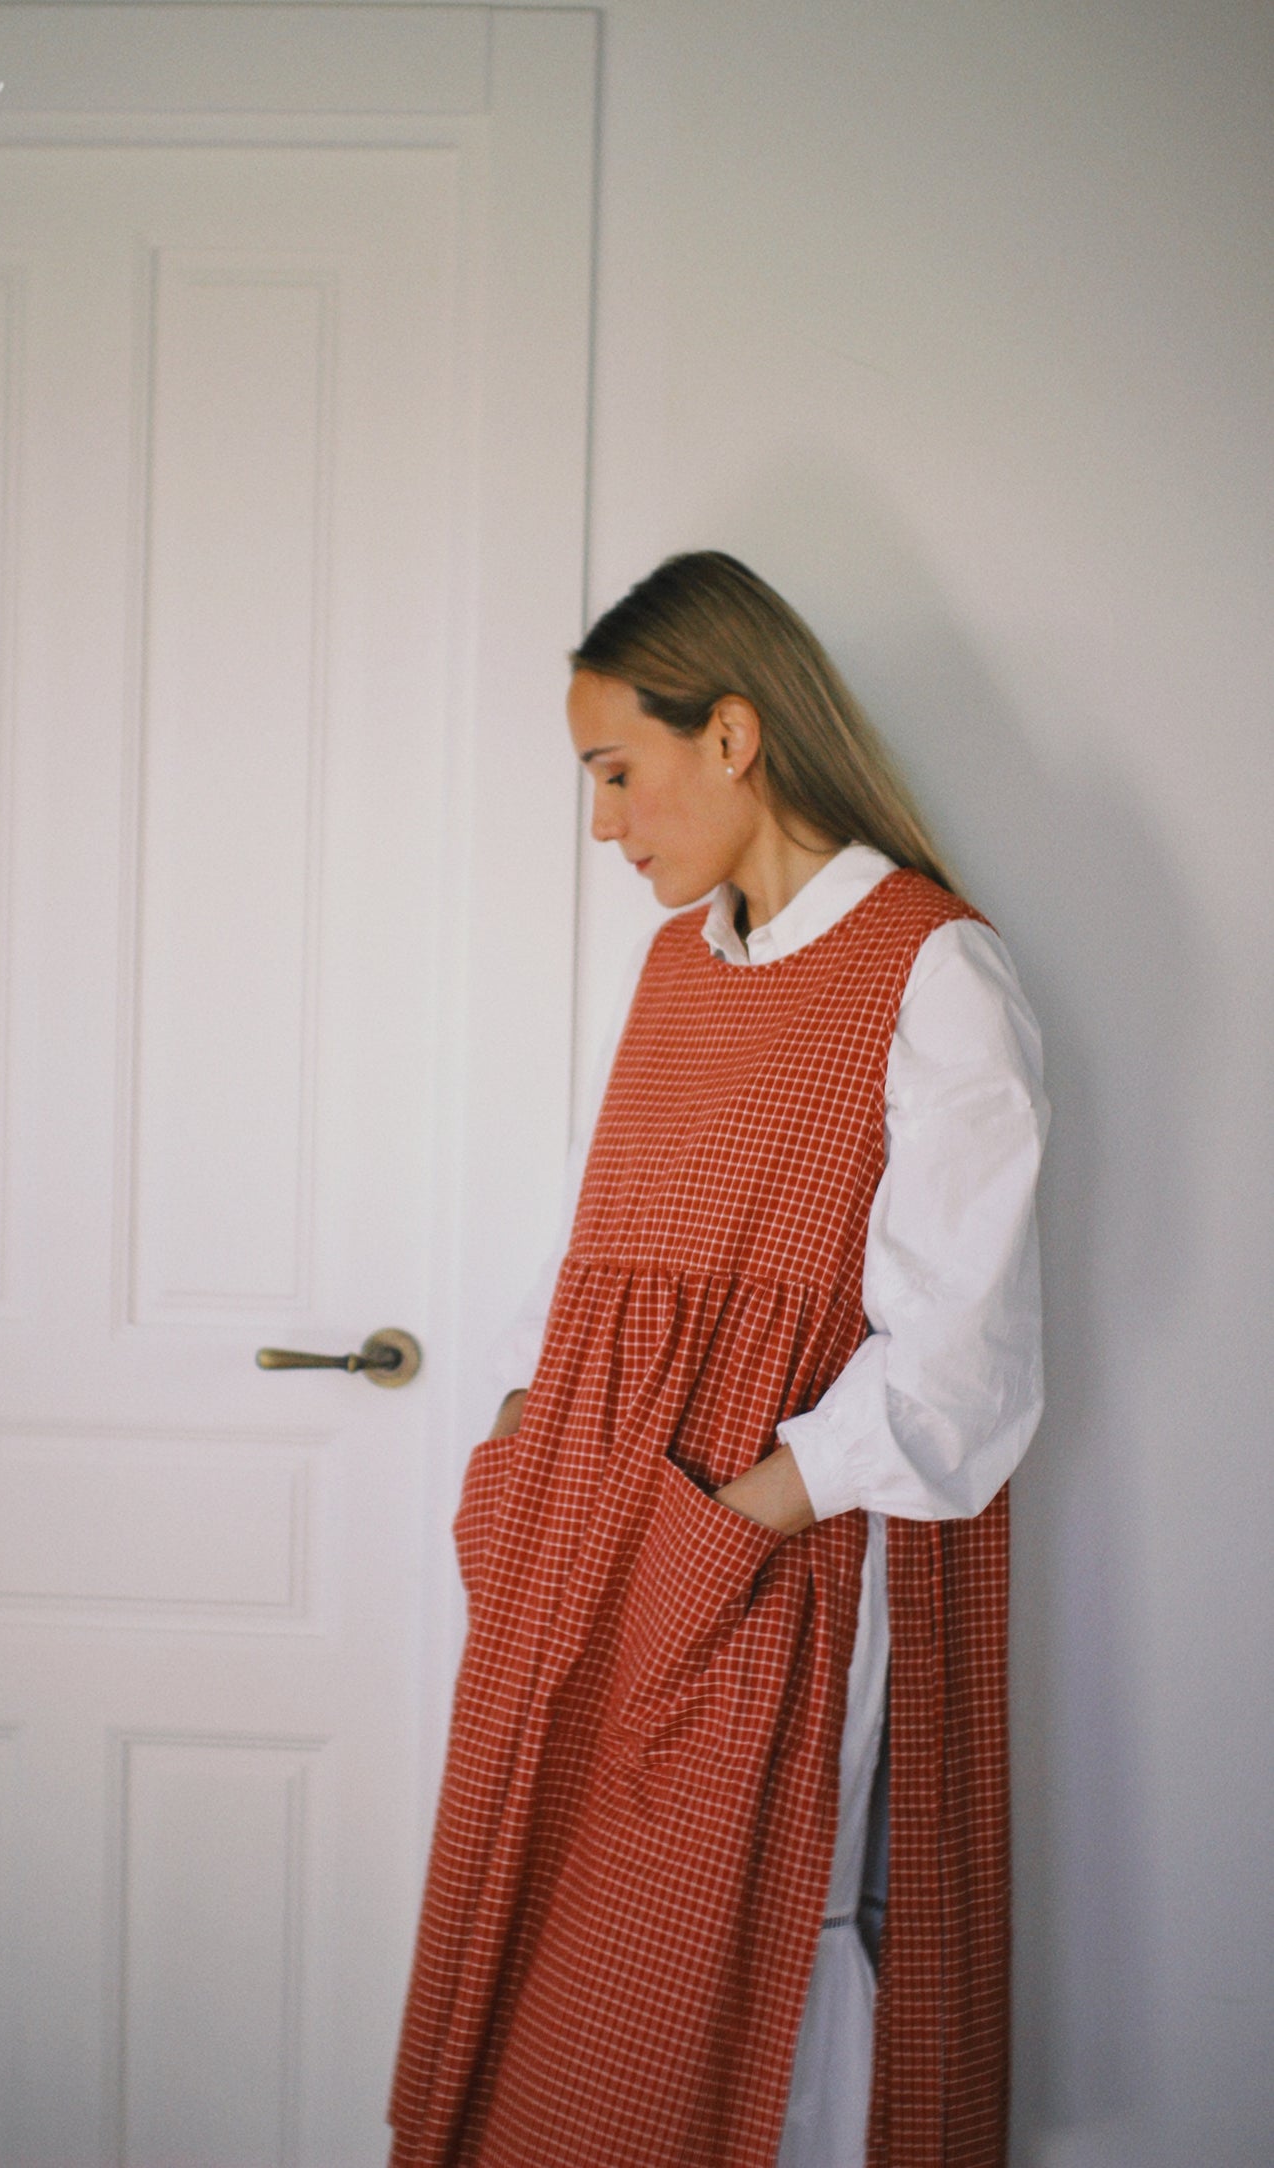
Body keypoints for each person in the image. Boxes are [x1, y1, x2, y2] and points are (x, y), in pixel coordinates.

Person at [389, 552, 1047, 2168]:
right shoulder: (682, 967)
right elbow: (596, 1253)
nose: (603, 825)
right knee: (555, 1950)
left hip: (765, 1556)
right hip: (585, 1540)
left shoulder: (928, 967)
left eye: (618, 772)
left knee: (746, 1972)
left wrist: (714, 1536)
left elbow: (955, 1361)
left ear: (733, 736)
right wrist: (519, 1449)